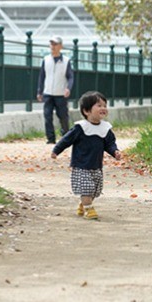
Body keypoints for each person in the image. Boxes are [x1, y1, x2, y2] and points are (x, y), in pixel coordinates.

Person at [50, 91, 122, 220]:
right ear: (86, 111)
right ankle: (89, 209)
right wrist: (56, 150)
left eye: (104, 105)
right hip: (81, 165)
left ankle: (84, 204)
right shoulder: (80, 128)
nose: (103, 108)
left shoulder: (105, 128)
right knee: (87, 188)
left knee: (95, 189)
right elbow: (66, 140)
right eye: (99, 105)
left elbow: (110, 143)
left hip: (96, 166)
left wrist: (115, 151)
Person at [37, 35, 74, 144]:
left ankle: (66, 136)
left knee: (63, 117)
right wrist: (39, 91)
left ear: (60, 46)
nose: (52, 46)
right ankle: (51, 139)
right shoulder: (46, 59)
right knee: (47, 116)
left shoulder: (66, 61)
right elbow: (42, 76)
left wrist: (68, 88)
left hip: (61, 94)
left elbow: (71, 76)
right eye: (51, 44)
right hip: (48, 93)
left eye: (55, 44)